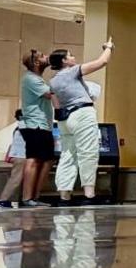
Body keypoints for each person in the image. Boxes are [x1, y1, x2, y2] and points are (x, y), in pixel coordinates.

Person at [47, 40, 113, 204]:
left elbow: (56, 105)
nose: (73, 57)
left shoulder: (53, 82)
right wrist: (109, 48)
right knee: (88, 153)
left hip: (64, 119)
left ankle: (64, 195)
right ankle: (89, 194)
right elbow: (102, 62)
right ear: (64, 61)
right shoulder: (72, 72)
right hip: (82, 113)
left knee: (68, 155)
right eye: (70, 55)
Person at [13, 51, 54, 208]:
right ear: (36, 63)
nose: (47, 57)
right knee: (34, 159)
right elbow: (50, 94)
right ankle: (27, 198)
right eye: (43, 56)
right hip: (35, 125)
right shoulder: (30, 78)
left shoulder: (37, 78)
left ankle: (34, 197)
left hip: (44, 125)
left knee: (48, 160)